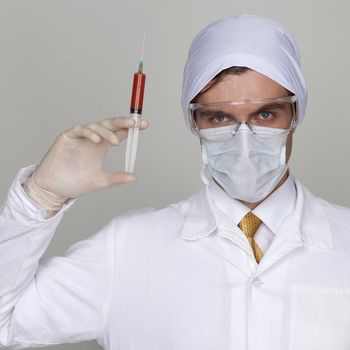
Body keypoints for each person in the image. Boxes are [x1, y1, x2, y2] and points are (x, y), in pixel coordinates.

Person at [1, 14, 350, 350]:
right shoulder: (127, 248)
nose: (244, 139)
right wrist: (39, 197)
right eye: (219, 117)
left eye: (265, 114)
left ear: (296, 114)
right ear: (194, 123)